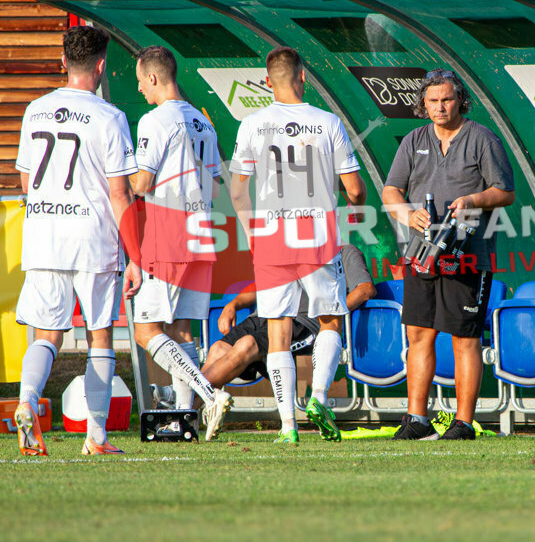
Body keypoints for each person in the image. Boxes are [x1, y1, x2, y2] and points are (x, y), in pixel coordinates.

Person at [13, 25, 142, 456]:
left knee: (47, 335)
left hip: (45, 235)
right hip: (93, 239)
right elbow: (120, 193)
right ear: (102, 66)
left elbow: (28, 179)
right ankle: (97, 437)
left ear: (63, 62)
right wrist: (136, 257)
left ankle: (27, 402)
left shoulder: (35, 110)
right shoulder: (111, 117)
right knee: (99, 335)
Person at [229, 46, 366, 444]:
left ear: (267, 82)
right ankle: (319, 397)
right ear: (304, 77)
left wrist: (253, 235)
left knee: (278, 330)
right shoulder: (328, 123)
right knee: (330, 319)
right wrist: (354, 205)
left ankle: (288, 426)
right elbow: (354, 189)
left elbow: (238, 192)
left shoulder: (252, 124)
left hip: (271, 236)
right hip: (317, 234)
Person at [381, 69, 515, 440]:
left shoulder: (482, 138)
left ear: (460, 100)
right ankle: (416, 419)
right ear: (423, 104)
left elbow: (505, 192)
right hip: (421, 254)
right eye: (433, 100)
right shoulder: (413, 139)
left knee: (464, 337)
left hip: (468, 255)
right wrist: (407, 214)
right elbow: (390, 191)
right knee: (419, 335)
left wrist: (473, 200)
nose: (440, 107)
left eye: (447, 99)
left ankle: (464, 423)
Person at [128, 46, 233, 441]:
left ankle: (209, 395)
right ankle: (185, 420)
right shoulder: (203, 123)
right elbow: (218, 182)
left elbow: (141, 184)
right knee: (181, 332)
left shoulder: (156, 120)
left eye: (141, 81)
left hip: (168, 236)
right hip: (201, 234)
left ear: (154, 78)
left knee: (145, 330)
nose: (140, 90)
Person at [172, 244, 375, 439]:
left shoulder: (345, 252)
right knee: (218, 348)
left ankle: (182, 410)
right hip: (265, 315)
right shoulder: (292, 251)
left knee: (247, 345)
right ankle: (200, 406)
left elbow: (365, 289)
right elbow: (262, 286)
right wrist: (233, 304)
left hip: (302, 321)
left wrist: (332, 311)